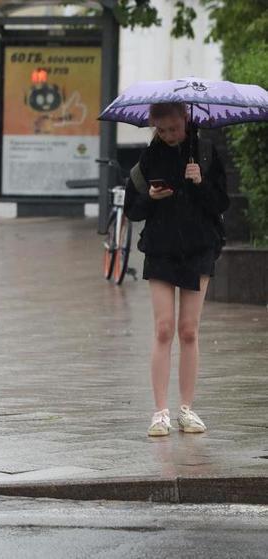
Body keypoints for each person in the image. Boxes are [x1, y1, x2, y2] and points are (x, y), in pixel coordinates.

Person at [124, 102, 230, 437]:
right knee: (163, 328)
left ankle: (186, 408)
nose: (169, 136)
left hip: (199, 248)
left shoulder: (207, 154)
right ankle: (160, 412)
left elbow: (221, 204)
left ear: (186, 119)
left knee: (188, 330)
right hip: (161, 250)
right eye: (162, 130)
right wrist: (151, 198)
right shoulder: (148, 160)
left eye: (174, 129)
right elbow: (132, 209)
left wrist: (199, 183)